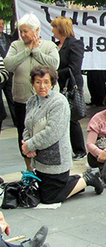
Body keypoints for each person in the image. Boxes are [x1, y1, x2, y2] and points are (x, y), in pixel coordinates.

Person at [22, 66, 103, 203]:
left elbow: (52, 132)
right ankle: (80, 178)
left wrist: (30, 145)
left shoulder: (59, 102)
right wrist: (27, 144)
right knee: (41, 191)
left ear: (53, 84)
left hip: (56, 159)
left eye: (46, 82)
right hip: (39, 158)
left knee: (50, 197)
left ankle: (88, 179)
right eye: (38, 82)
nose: (42, 86)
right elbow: (27, 125)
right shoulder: (32, 101)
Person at [4, 13, 59, 171]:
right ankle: (29, 168)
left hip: (46, 101)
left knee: (44, 133)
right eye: (20, 31)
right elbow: (8, 65)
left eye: (26, 31)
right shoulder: (16, 46)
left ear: (36, 31)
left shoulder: (48, 46)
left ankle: (44, 168)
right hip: (22, 100)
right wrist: (27, 51)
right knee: (24, 134)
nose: (22, 35)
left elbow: (54, 64)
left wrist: (36, 52)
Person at [50, 16, 86, 160]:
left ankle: (79, 149)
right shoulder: (55, 45)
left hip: (70, 85)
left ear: (61, 29)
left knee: (71, 117)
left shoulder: (75, 44)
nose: (52, 30)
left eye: (54, 27)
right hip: (57, 85)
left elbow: (74, 68)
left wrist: (55, 74)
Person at [0, 17, 16, 136]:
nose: (1, 26)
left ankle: (16, 119)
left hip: (8, 72)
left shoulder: (8, 38)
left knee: (11, 96)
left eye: (2, 24)